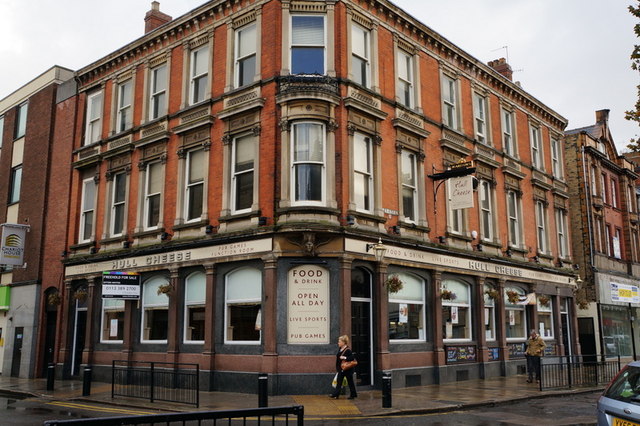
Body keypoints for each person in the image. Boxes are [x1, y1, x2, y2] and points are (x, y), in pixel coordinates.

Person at [329, 335, 357, 399]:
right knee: (339, 382)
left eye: (339, 341)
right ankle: (336, 394)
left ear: (343, 342)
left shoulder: (348, 350)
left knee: (350, 382)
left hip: (348, 369)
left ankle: (353, 394)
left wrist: (345, 357)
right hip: (341, 369)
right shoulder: (340, 349)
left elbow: (352, 358)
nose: (338, 343)